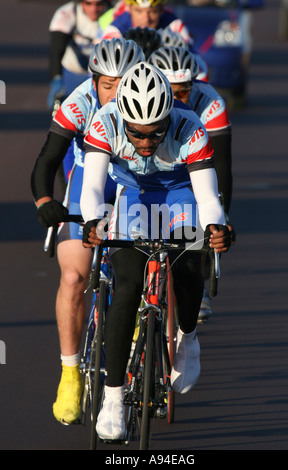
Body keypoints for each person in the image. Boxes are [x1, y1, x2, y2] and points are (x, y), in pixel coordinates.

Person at [80, 62, 231, 440]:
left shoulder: (190, 126)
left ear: (169, 117)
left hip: (180, 194)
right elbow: (93, 189)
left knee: (186, 265)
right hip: (133, 196)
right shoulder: (105, 121)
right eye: (137, 135)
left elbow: (208, 197)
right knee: (128, 285)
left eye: (155, 134)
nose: (146, 143)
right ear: (123, 120)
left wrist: (216, 226)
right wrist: (95, 221)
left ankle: (188, 337)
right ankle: (113, 397)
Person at [31, 38, 145, 426]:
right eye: (108, 85)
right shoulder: (80, 101)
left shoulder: (151, 93)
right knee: (73, 275)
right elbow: (47, 157)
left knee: (148, 256)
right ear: (94, 81)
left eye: (124, 82)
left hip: (133, 186)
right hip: (88, 184)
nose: (116, 93)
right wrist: (45, 200)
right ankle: (69, 374)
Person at [148, 45, 234, 321]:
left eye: (184, 90)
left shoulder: (211, 102)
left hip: (195, 166)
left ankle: (197, 277)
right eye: (171, 89)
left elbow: (221, 166)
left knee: (205, 218)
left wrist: (220, 217)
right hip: (152, 169)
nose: (177, 97)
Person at [47, 0, 114, 111]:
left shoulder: (113, 13)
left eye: (99, 4)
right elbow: (56, 50)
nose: (94, 9)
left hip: (101, 75)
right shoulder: (66, 13)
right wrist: (56, 79)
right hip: (73, 73)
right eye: (88, 4)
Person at [100, 0, 191, 43]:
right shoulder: (116, 29)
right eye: (139, 11)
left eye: (152, 11)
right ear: (130, 9)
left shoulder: (175, 25)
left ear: (161, 10)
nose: (146, 18)